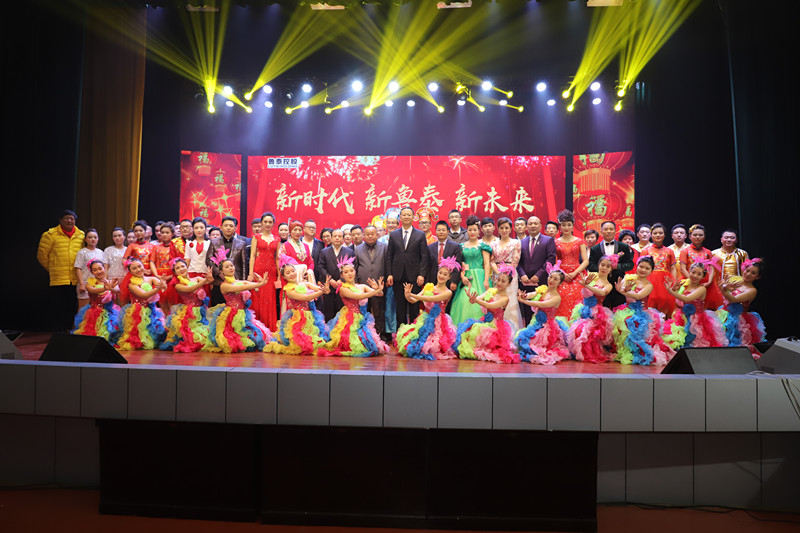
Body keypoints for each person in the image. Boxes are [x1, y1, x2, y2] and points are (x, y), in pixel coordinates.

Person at [318, 256, 390, 357]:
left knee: (370, 344)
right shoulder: (343, 288)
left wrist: (376, 288)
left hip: (362, 318)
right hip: (349, 318)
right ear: (342, 275)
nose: (349, 274)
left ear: (355, 271)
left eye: (351, 271)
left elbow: (380, 294)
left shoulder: (362, 286)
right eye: (346, 272)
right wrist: (376, 291)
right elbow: (359, 296)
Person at [611, 256, 675, 366]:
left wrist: (624, 291)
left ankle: (638, 353)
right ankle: (627, 352)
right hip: (627, 310)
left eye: (647, 268)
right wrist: (623, 290)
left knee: (634, 326)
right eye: (641, 266)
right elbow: (624, 291)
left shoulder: (649, 285)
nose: (643, 270)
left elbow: (638, 296)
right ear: (637, 266)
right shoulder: (629, 278)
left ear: (651, 271)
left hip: (641, 314)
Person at [264, 255, 331, 355]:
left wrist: (325, 289)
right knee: (303, 344)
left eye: (293, 271)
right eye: (288, 273)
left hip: (311, 316)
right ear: (284, 277)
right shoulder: (289, 291)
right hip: (299, 319)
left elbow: (319, 289)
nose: (292, 274)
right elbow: (307, 298)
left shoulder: (305, 284)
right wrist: (322, 292)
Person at [452, 266, 519, 364]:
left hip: (496, 325)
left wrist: (475, 300)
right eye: (498, 279)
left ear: (508, 284)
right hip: (485, 321)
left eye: (503, 281)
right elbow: (477, 299)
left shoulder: (505, 298)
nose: (499, 283)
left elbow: (489, 305)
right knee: (471, 330)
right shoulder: (490, 291)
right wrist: (471, 298)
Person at [396, 256, 459, 360]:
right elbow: (413, 300)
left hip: (439, 321)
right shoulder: (429, 287)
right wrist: (407, 295)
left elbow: (430, 298)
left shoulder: (448, 292)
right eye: (440, 273)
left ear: (449, 277)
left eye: (445, 274)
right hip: (425, 318)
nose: (441, 276)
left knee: (434, 345)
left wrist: (412, 294)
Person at [207, 257, 270, 353]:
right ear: (221, 271)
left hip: (244, 313)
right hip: (232, 315)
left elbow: (249, 284)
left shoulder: (239, 282)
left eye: (231, 265)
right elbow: (243, 287)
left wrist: (260, 282)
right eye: (226, 267)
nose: (230, 268)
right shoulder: (224, 285)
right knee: (233, 340)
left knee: (259, 335)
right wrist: (258, 284)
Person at [38, 210, 87, 330]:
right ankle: (58, 331)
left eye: (72, 218)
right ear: (60, 220)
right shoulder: (50, 235)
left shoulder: (81, 235)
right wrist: (53, 269)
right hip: (58, 278)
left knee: (72, 306)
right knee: (58, 306)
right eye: (66, 218)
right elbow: (42, 256)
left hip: (75, 278)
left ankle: (69, 330)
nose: (69, 221)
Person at [663, 260, 728, 350]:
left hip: (695, 321)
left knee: (692, 344)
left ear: (703, 276)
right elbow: (678, 300)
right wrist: (674, 289)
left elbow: (686, 299)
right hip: (681, 317)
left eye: (699, 274)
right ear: (689, 272)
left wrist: (670, 291)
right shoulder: (683, 283)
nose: (695, 276)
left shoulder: (702, 289)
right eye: (693, 272)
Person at [515, 266, 570, 365]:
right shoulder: (543, 289)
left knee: (539, 347)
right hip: (537, 323)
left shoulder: (556, 297)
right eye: (550, 277)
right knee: (523, 339)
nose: (551, 280)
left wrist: (524, 301)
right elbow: (532, 294)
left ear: (560, 283)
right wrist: (524, 296)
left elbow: (541, 304)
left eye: (555, 279)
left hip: (547, 327)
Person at [386, 207, 430, 326]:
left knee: (414, 307)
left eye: (409, 215)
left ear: (413, 217)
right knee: (400, 307)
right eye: (404, 215)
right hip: (398, 276)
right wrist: (389, 274)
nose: (406, 217)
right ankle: (401, 333)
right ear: (400, 217)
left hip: (414, 277)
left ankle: (413, 332)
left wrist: (422, 274)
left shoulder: (420, 235)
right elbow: (389, 256)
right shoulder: (394, 234)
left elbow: (424, 256)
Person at [567, 256, 615, 363]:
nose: (604, 268)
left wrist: (587, 285)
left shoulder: (608, 285)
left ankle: (590, 353)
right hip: (585, 309)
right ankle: (580, 353)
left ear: (611, 270)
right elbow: (585, 294)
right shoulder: (591, 277)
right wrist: (586, 285)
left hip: (598, 314)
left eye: (608, 266)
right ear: (598, 265)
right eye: (602, 265)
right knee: (578, 330)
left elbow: (602, 292)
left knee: (587, 332)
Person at [159, 258, 214, 353]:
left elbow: (209, 281)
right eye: (177, 268)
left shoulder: (196, 278)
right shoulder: (178, 285)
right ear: (175, 272)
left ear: (187, 267)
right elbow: (192, 288)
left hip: (201, 311)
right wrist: (205, 280)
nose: (181, 269)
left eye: (182, 266)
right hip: (190, 314)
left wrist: (210, 278)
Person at [718, 258, 766, 356]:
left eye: (753, 273)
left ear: (757, 277)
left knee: (732, 346)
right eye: (747, 270)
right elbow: (726, 297)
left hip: (737, 322)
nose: (748, 274)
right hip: (724, 315)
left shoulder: (752, 290)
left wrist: (724, 290)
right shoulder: (736, 281)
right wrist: (726, 287)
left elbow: (734, 300)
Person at [116, 258, 167, 350]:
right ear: (130, 271)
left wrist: (163, 284)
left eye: (140, 266)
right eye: (134, 268)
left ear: (143, 266)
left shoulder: (151, 279)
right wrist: (157, 288)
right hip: (139, 312)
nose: (138, 270)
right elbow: (144, 295)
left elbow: (163, 287)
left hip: (152, 310)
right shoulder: (132, 284)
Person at [450, 215, 492, 324]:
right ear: (466, 231)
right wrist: (462, 277)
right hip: (466, 277)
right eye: (470, 230)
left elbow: (487, 263)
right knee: (464, 300)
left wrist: (486, 280)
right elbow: (458, 264)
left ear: (479, 231)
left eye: (474, 230)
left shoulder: (483, 245)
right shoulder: (461, 246)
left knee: (481, 302)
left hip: (480, 276)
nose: (472, 232)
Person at [517, 215, 557, 324]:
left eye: (535, 223)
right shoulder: (521, 242)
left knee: (542, 311)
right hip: (525, 283)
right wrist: (522, 275)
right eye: (530, 224)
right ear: (527, 227)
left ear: (540, 226)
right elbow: (517, 262)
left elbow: (550, 260)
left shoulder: (548, 240)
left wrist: (538, 275)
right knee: (527, 311)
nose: (533, 226)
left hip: (541, 282)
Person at [354, 225, 390, 343]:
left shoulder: (384, 247)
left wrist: (386, 279)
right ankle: (364, 334)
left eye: (372, 234)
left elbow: (387, 264)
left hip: (379, 285)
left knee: (379, 310)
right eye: (367, 234)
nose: (370, 236)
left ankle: (380, 334)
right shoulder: (358, 249)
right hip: (363, 285)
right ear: (364, 235)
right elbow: (355, 266)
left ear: (377, 235)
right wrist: (356, 283)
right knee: (364, 310)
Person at [588, 221, 634, 309]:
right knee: (601, 310)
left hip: (619, 283)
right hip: (601, 285)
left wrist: (617, 266)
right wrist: (603, 268)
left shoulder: (623, 247)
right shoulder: (595, 249)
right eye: (606, 229)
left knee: (619, 310)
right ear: (601, 231)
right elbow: (590, 266)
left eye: (611, 229)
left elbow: (630, 264)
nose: (608, 231)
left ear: (615, 231)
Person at [71, 260, 121, 343]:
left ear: (104, 268)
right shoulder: (89, 284)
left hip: (111, 313)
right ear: (91, 272)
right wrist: (105, 288)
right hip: (95, 314)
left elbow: (117, 290)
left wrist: (111, 287)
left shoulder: (110, 282)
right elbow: (93, 290)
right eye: (95, 270)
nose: (98, 271)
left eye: (100, 268)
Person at [553, 210, 589, 319]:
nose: (566, 227)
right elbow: (554, 262)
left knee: (579, 300)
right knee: (562, 299)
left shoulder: (580, 241)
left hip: (577, 275)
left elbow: (586, 261)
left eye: (569, 225)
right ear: (560, 227)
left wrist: (574, 273)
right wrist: (562, 274)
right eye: (563, 225)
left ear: (573, 226)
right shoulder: (555, 242)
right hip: (561, 276)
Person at [679, 224, 724, 310]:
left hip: (705, 282)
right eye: (695, 235)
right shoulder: (685, 251)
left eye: (700, 235)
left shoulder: (708, 252)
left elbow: (711, 268)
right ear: (690, 236)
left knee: (705, 306)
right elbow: (682, 268)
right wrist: (692, 280)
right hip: (690, 280)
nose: (697, 237)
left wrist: (709, 281)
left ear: (704, 237)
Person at [491, 217, 524, 330]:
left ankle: (512, 329)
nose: (504, 230)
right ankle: (498, 329)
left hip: (510, 275)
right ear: (498, 229)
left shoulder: (516, 242)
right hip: (497, 275)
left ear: (510, 229)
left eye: (506, 228)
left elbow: (515, 260)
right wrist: (498, 273)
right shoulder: (493, 244)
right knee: (497, 300)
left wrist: (506, 275)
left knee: (510, 301)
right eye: (501, 228)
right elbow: (492, 261)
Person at [248, 212, 279, 330]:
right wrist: (251, 273)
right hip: (258, 270)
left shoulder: (277, 239)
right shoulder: (256, 237)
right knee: (257, 297)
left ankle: (269, 327)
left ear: (273, 224)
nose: (267, 224)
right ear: (261, 223)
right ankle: (256, 327)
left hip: (271, 272)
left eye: (270, 222)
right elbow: (252, 256)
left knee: (269, 299)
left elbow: (277, 258)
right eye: (265, 222)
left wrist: (279, 276)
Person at [318, 229, 356, 322]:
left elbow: (352, 268)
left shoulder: (349, 251)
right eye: (335, 236)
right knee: (329, 311)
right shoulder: (324, 251)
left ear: (343, 238)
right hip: (328, 286)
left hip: (343, 286)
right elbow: (321, 267)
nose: (337, 238)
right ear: (331, 238)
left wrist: (341, 279)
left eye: (340, 236)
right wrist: (330, 280)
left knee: (342, 312)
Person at [210, 216, 248, 306]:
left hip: (235, 281)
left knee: (235, 309)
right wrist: (219, 273)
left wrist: (243, 283)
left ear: (235, 228)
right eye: (226, 225)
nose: (228, 228)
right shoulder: (213, 242)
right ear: (221, 227)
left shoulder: (241, 243)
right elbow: (208, 260)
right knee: (218, 308)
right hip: (219, 281)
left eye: (231, 226)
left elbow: (243, 264)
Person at [641, 223, 677, 317]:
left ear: (664, 235)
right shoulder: (646, 250)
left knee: (666, 305)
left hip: (665, 281)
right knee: (650, 305)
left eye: (660, 233)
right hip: (650, 280)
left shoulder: (669, 251)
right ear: (651, 235)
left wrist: (674, 281)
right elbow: (641, 268)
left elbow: (673, 268)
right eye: (655, 233)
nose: (658, 235)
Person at [74, 228, 106, 309]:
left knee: (97, 307)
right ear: (85, 239)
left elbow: (103, 268)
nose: (93, 239)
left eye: (95, 237)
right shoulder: (82, 252)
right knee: (83, 308)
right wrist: (82, 284)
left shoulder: (101, 252)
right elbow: (77, 268)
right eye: (90, 237)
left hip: (98, 284)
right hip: (85, 282)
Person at [427, 221, 462, 292]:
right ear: (435, 231)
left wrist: (454, 281)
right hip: (432, 281)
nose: (441, 232)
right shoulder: (430, 247)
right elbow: (427, 265)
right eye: (439, 230)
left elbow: (458, 265)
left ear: (448, 231)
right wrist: (427, 281)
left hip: (448, 281)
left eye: (443, 230)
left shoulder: (455, 246)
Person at [151, 222, 177, 314]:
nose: (164, 235)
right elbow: (152, 262)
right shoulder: (156, 247)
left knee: (172, 302)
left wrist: (171, 276)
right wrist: (156, 275)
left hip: (172, 276)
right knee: (161, 302)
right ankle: (164, 320)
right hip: (159, 276)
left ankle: (172, 320)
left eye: (167, 232)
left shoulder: (176, 247)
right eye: (162, 232)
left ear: (172, 234)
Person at [104, 227, 127, 302]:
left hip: (125, 278)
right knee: (112, 301)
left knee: (123, 301)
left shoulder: (128, 249)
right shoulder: (108, 250)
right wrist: (105, 280)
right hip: (111, 278)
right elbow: (106, 267)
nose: (117, 238)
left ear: (124, 236)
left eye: (119, 235)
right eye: (115, 236)